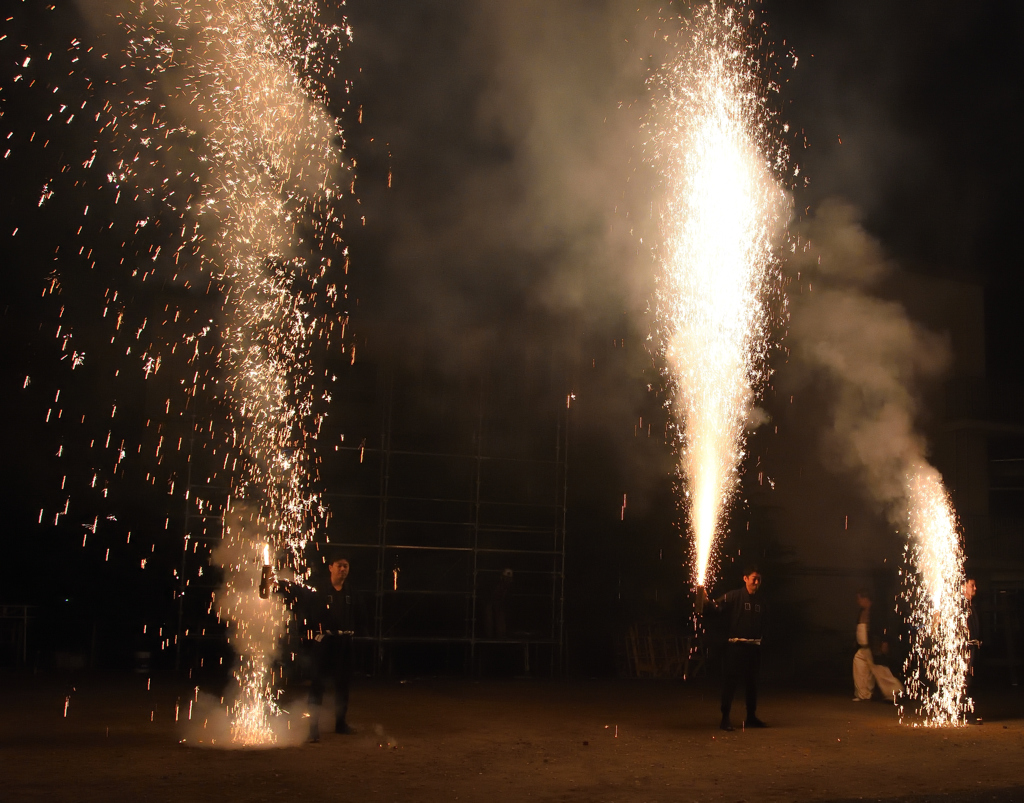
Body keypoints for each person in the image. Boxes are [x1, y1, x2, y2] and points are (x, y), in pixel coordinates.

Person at [278, 556, 364, 742]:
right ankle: (313, 728)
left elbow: (359, 614)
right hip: (325, 642)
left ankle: (340, 723)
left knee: (343, 684)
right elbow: (304, 604)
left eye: (346, 566)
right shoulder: (319, 591)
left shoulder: (351, 592)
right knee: (318, 684)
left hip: (344, 642)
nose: (343, 569)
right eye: (340, 566)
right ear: (330, 567)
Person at [698, 566, 767, 731]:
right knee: (731, 682)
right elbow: (717, 608)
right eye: (753, 578)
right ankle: (725, 718)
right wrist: (706, 602)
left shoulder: (762, 600)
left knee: (752, 684)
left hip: (754, 648)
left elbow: (766, 622)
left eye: (759, 579)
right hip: (736, 648)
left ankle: (751, 717)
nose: (756, 582)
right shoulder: (734, 596)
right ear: (745, 578)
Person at [852, 590, 903, 702]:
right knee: (860, 669)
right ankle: (863, 694)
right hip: (863, 647)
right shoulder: (862, 611)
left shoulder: (876, 611)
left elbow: (884, 627)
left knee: (880, 670)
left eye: (859, 598)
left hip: (873, 646)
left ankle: (895, 692)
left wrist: (884, 641)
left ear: (865, 599)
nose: (858, 601)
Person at [964, 577, 982, 723]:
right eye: (972, 585)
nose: (975, 588)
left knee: (969, 680)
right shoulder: (961, 606)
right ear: (964, 587)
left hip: (971, 647)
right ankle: (963, 714)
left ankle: (965, 712)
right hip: (964, 649)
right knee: (965, 680)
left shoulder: (971, 605)